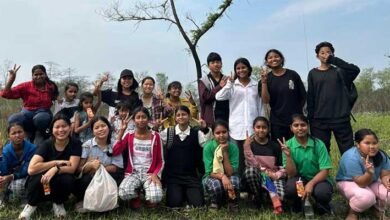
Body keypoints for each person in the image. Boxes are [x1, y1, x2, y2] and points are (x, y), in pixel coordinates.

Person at [19, 114, 82, 219]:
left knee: (67, 179)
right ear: (52, 130)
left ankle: (58, 202)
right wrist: (56, 162)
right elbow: (31, 169)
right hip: (43, 178)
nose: (61, 130)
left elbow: (72, 168)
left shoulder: (75, 143)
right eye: (57, 127)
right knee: (37, 178)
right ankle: (31, 205)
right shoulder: (46, 144)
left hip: (60, 176)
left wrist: (55, 169)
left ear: (70, 127)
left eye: (64, 126)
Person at [307, 41, 360, 154]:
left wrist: (334, 61)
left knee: (348, 151)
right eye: (322, 53)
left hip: (341, 118)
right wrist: (311, 119)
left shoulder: (340, 71)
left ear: (333, 54)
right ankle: (326, 172)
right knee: (322, 152)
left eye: (328, 52)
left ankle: (350, 171)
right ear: (317, 56)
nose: (326, 55)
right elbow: (311, 97)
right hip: (319, 120)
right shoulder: (313, 73)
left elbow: (355, 70)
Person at [215, 57, 264, 177]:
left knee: (251, 158)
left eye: (243, 67)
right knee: (237, 158)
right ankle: (238, 185)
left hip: (253, 127)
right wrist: (229, 84)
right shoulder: (232, 85)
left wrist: (262, 124)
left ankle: (253, 185)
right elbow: (219, 97)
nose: (241, 70)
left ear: (248, 69)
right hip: (236, 127)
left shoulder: (255, 84)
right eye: (238, 68)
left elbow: (260, 105)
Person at [160, 105, 212, 208]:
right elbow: (155, 141)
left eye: (184, 114)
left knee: (198, 205)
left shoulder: (197, 133)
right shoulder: (169, 132)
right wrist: (155, 128)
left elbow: (207, 145)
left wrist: (205, 128)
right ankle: (180, 194)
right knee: (174, 205)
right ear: (175, 118)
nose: (181, 117)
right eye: (178, 115)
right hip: (173, 177)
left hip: (191, 177)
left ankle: (187, 193)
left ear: (189, 116)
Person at [280, 114, 333, 215]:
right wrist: (288, 156)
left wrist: (311, 183)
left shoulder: (318, 144)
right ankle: (298, 204)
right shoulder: (287, 145)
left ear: (308, 126)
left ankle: (322, 206)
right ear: (291, 128)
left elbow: (325, 170)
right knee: (291, 189)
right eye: (296, 125)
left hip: (318, 178)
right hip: (299, 178)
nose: (300, 128)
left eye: (303, 125)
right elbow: (291, 174)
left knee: (322, 193)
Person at [112, 107, 164, 209]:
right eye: (138, 117)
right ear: (134, 120)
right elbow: (115, 151)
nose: (141, 120)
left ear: (148, 119)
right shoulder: (129, 135)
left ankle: (147, 193)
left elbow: (161, 160)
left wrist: (155, 174)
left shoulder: (155, 136)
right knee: (123, 193)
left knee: (156, 197)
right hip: (133, 172)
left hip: (149, 173)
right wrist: (121, 131)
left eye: (144, 117)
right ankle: (136, 195)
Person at [336, 129, 390, 220]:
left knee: (388, 195)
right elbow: (361, 183)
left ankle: (377, 209)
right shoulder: (351, 157)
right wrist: (369, 173)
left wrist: (387, 181)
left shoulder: (381, 155)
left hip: (371, 182)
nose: (372, 146)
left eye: (374, 143)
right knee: (366, 197)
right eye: (367, 143)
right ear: (358, 144)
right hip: (349, 182)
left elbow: (385, 175)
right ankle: (353, 212)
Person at [73, 116, 123, 213]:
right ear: (92, 131)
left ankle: (107, 202)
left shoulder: (115, 144)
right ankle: (84, 200)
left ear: (109, 127)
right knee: (84, 180)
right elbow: (79, 168)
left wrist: (100, 168)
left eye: (103, 126)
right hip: (90, 175)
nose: (100, 129)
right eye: (96, 128)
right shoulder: (87, 145)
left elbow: (116, 167)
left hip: (107, 175)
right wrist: (90, 166)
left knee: (116, 178)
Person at [0, 64, 59, 144]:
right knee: (13, 118)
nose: (38, 77)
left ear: (45, 74)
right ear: (32, 76)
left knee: (40, 118)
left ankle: (40, 134)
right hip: (27, 114)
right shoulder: (26, 86)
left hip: (43, 116)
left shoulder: (51, 87)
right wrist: (11, 79)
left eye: (41, 74)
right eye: (36, 75)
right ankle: (26, 134)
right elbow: (5, 94)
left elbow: (55, 97)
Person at [260, 49, 306, 142]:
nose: (274, 59)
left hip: (296, 122)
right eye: (270, 58)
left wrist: (297, 113)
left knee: (298, 148)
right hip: (278, 122)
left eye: (276, 56)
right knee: (280, 149)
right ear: (266, 61)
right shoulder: (266, 79)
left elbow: (303, 96)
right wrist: (264, 83)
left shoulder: (293, 75)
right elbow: (265, 101)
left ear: (281, 59)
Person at [243, 117, 285, 213]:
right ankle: (257, 197)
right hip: (258, 176)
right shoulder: (250, 145)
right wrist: (246, 147)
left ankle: (267, 196)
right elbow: (251, 164)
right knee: (250, 171)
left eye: (264, 127)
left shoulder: (274, 146)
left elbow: (282, 168)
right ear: (253, 128)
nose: (261, 130)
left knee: (280, 197)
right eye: (258, 127)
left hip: (272, 176)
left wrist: (275, 175)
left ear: (268, 129)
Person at [203, 120, 240, 211]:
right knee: (216, 185)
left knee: (234, 181)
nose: (221, 135)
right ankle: (214, 202)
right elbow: (209, 171)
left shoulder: (233, 147)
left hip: (229, 175)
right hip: (212, 176)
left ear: (228, 132)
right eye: (218, 133)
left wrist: (224, 152)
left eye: (224, 132)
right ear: (213, 134)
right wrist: (222, 176)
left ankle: (231, 202)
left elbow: (231, 172)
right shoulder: (208, 147)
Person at [0, 123, 36, 208]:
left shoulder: (32, 148)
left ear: (25, 134)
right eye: (13, 133)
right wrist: (0, 154)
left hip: (26, 176)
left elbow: (27, 168)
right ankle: (3, 198)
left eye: (20, 132)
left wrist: (11, 176)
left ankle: (26, 198)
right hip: (10, 176)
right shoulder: (6, 150)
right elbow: (4, 171)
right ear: (9, 136)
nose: (17, 135)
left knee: (19, 184)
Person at [198, 52, 229, 126]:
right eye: (213, 62)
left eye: (218, 62)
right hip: (210, 119)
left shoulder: (226, 79)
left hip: (226, 117)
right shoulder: (203, 81)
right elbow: (205, 98)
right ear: (208, 65)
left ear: (221, 64)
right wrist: (219, 87)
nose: (216, 64)